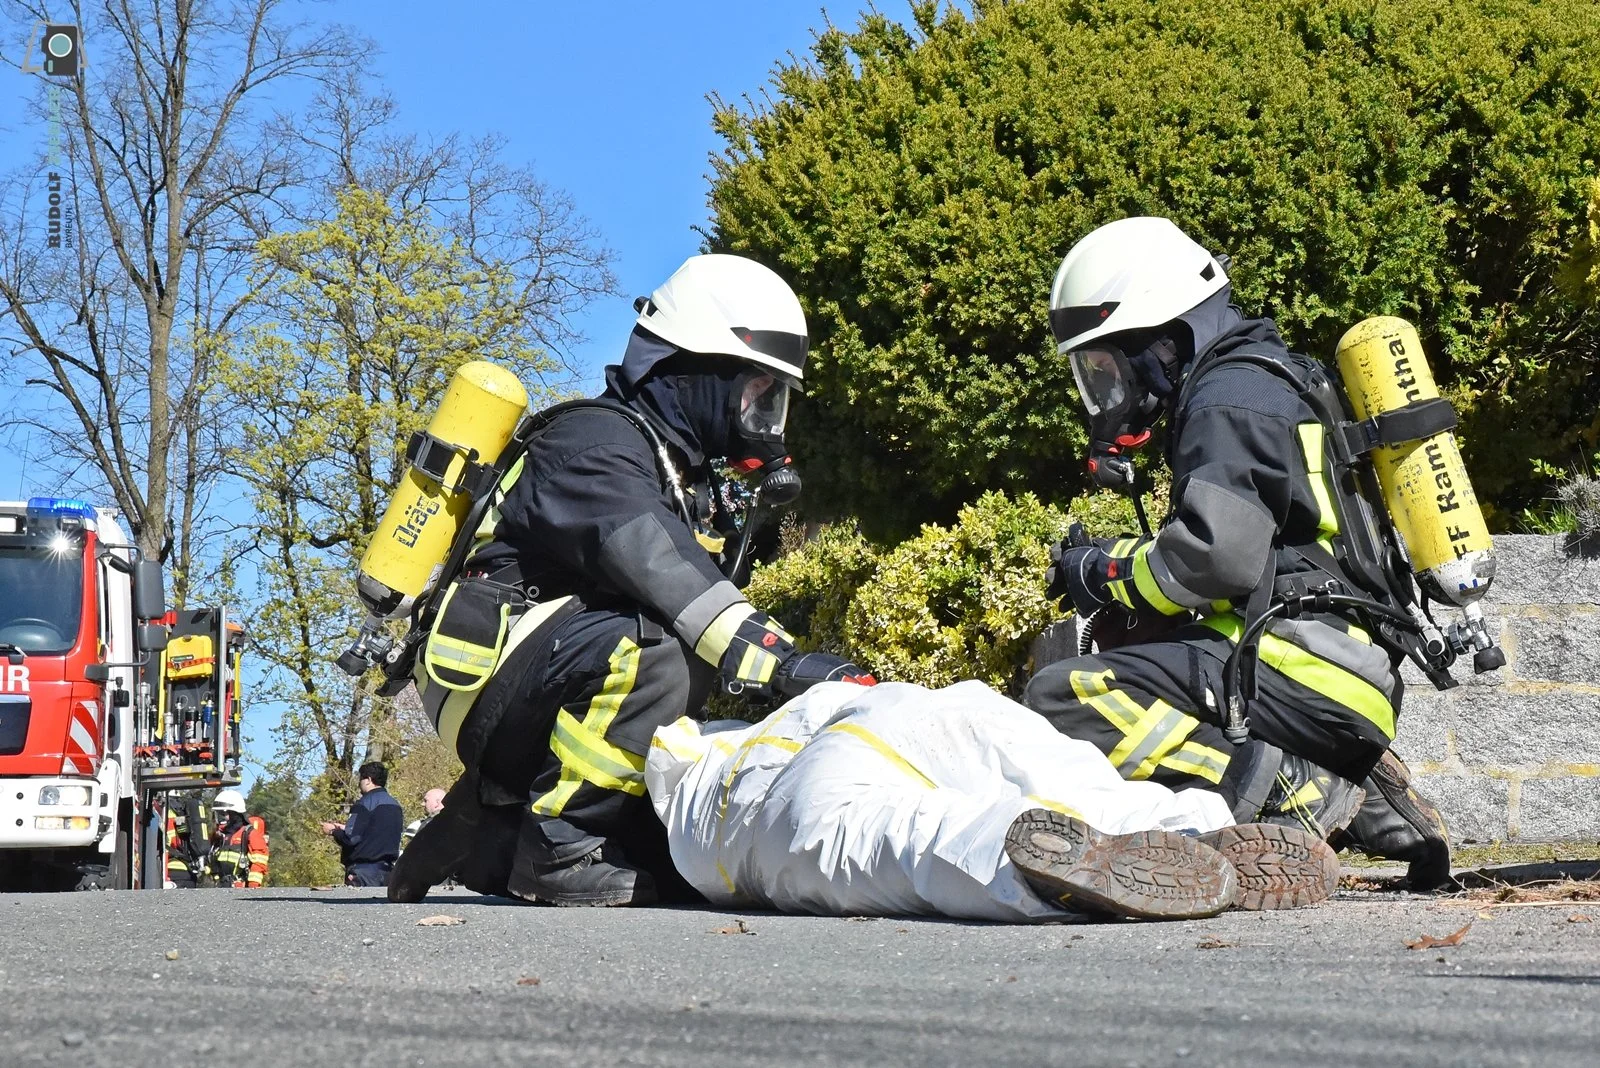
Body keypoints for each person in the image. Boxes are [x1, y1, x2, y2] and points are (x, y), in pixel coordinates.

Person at [390, 254, 872, 907]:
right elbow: (666, 573)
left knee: (669, 864)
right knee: (662, 647)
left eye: (773, 399)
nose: (764, 416)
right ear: (696, 372)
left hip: (535, 674)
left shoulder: (668, 465)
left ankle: (489, 829)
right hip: (481, 678)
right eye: (757, 392)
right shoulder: (593, 445)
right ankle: (559, 846)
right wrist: (785, 664)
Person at [1024, 216, 1452, 889]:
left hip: (1301, 662)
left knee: (1066, 695)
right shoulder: (1270, 379)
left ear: (1162, 342)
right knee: (1148, 652)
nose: (1106, 391)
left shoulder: (1229, 399)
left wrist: (1103, 571)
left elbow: (1214, 559)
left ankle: (1293, 793)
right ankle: (1362, 791)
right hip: (1339, 665)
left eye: (1107, 366)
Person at [647, 680, 1339, 920]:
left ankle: (1039, 873)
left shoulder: (687, 821)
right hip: (894, 707)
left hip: (779, 816)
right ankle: (1187, 827)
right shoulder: (742, 727)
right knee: (1058, 769)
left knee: (924, 841)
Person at [321, 761, 404, 887]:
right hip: (388, 872)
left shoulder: (364, 804)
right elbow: (376, 832)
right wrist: (345, 828)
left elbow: (351, 839)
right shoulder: (395, 805)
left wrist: (333, 831)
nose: (359, 783)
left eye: (361, 779)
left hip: (363, 872)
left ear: (368, 780)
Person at [209, 789, 269, 889]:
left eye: (224, 814)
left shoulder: (250, 834)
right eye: (219, 814)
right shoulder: (220, 837)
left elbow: (259, 864)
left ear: (235, 814)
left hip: (241, 889)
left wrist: (252, 887)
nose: (221, 818)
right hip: (221, 888)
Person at [164, 794, 212, 889]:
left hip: (172, 871)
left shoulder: (164, 812)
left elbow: (166, 845)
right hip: (188, 871)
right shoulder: (181, 811)